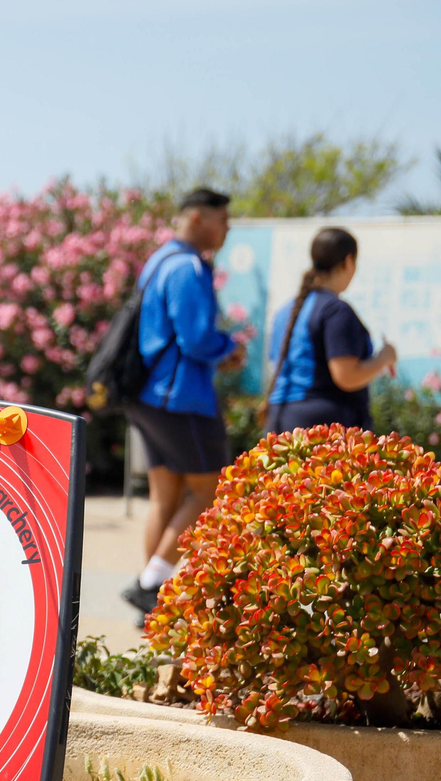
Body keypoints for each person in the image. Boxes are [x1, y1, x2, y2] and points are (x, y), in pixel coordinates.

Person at [120, 188, 247, 616]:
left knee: (165, 498)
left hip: (147, 396)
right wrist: (228, 347)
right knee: (209, 491)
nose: (227, 228)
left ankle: (149, 603)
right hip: (180, 398)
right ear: (196, 219)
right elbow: (195, 339)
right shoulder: (189, 267)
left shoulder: (157, 261)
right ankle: (150, 583)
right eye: (222, 220)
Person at [264, 227, 398, 434]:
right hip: (321, 428)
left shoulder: (286, 311)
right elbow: (346, 376)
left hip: (279, 422)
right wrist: (384, 358)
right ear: (348, 262)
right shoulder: (335, 311)